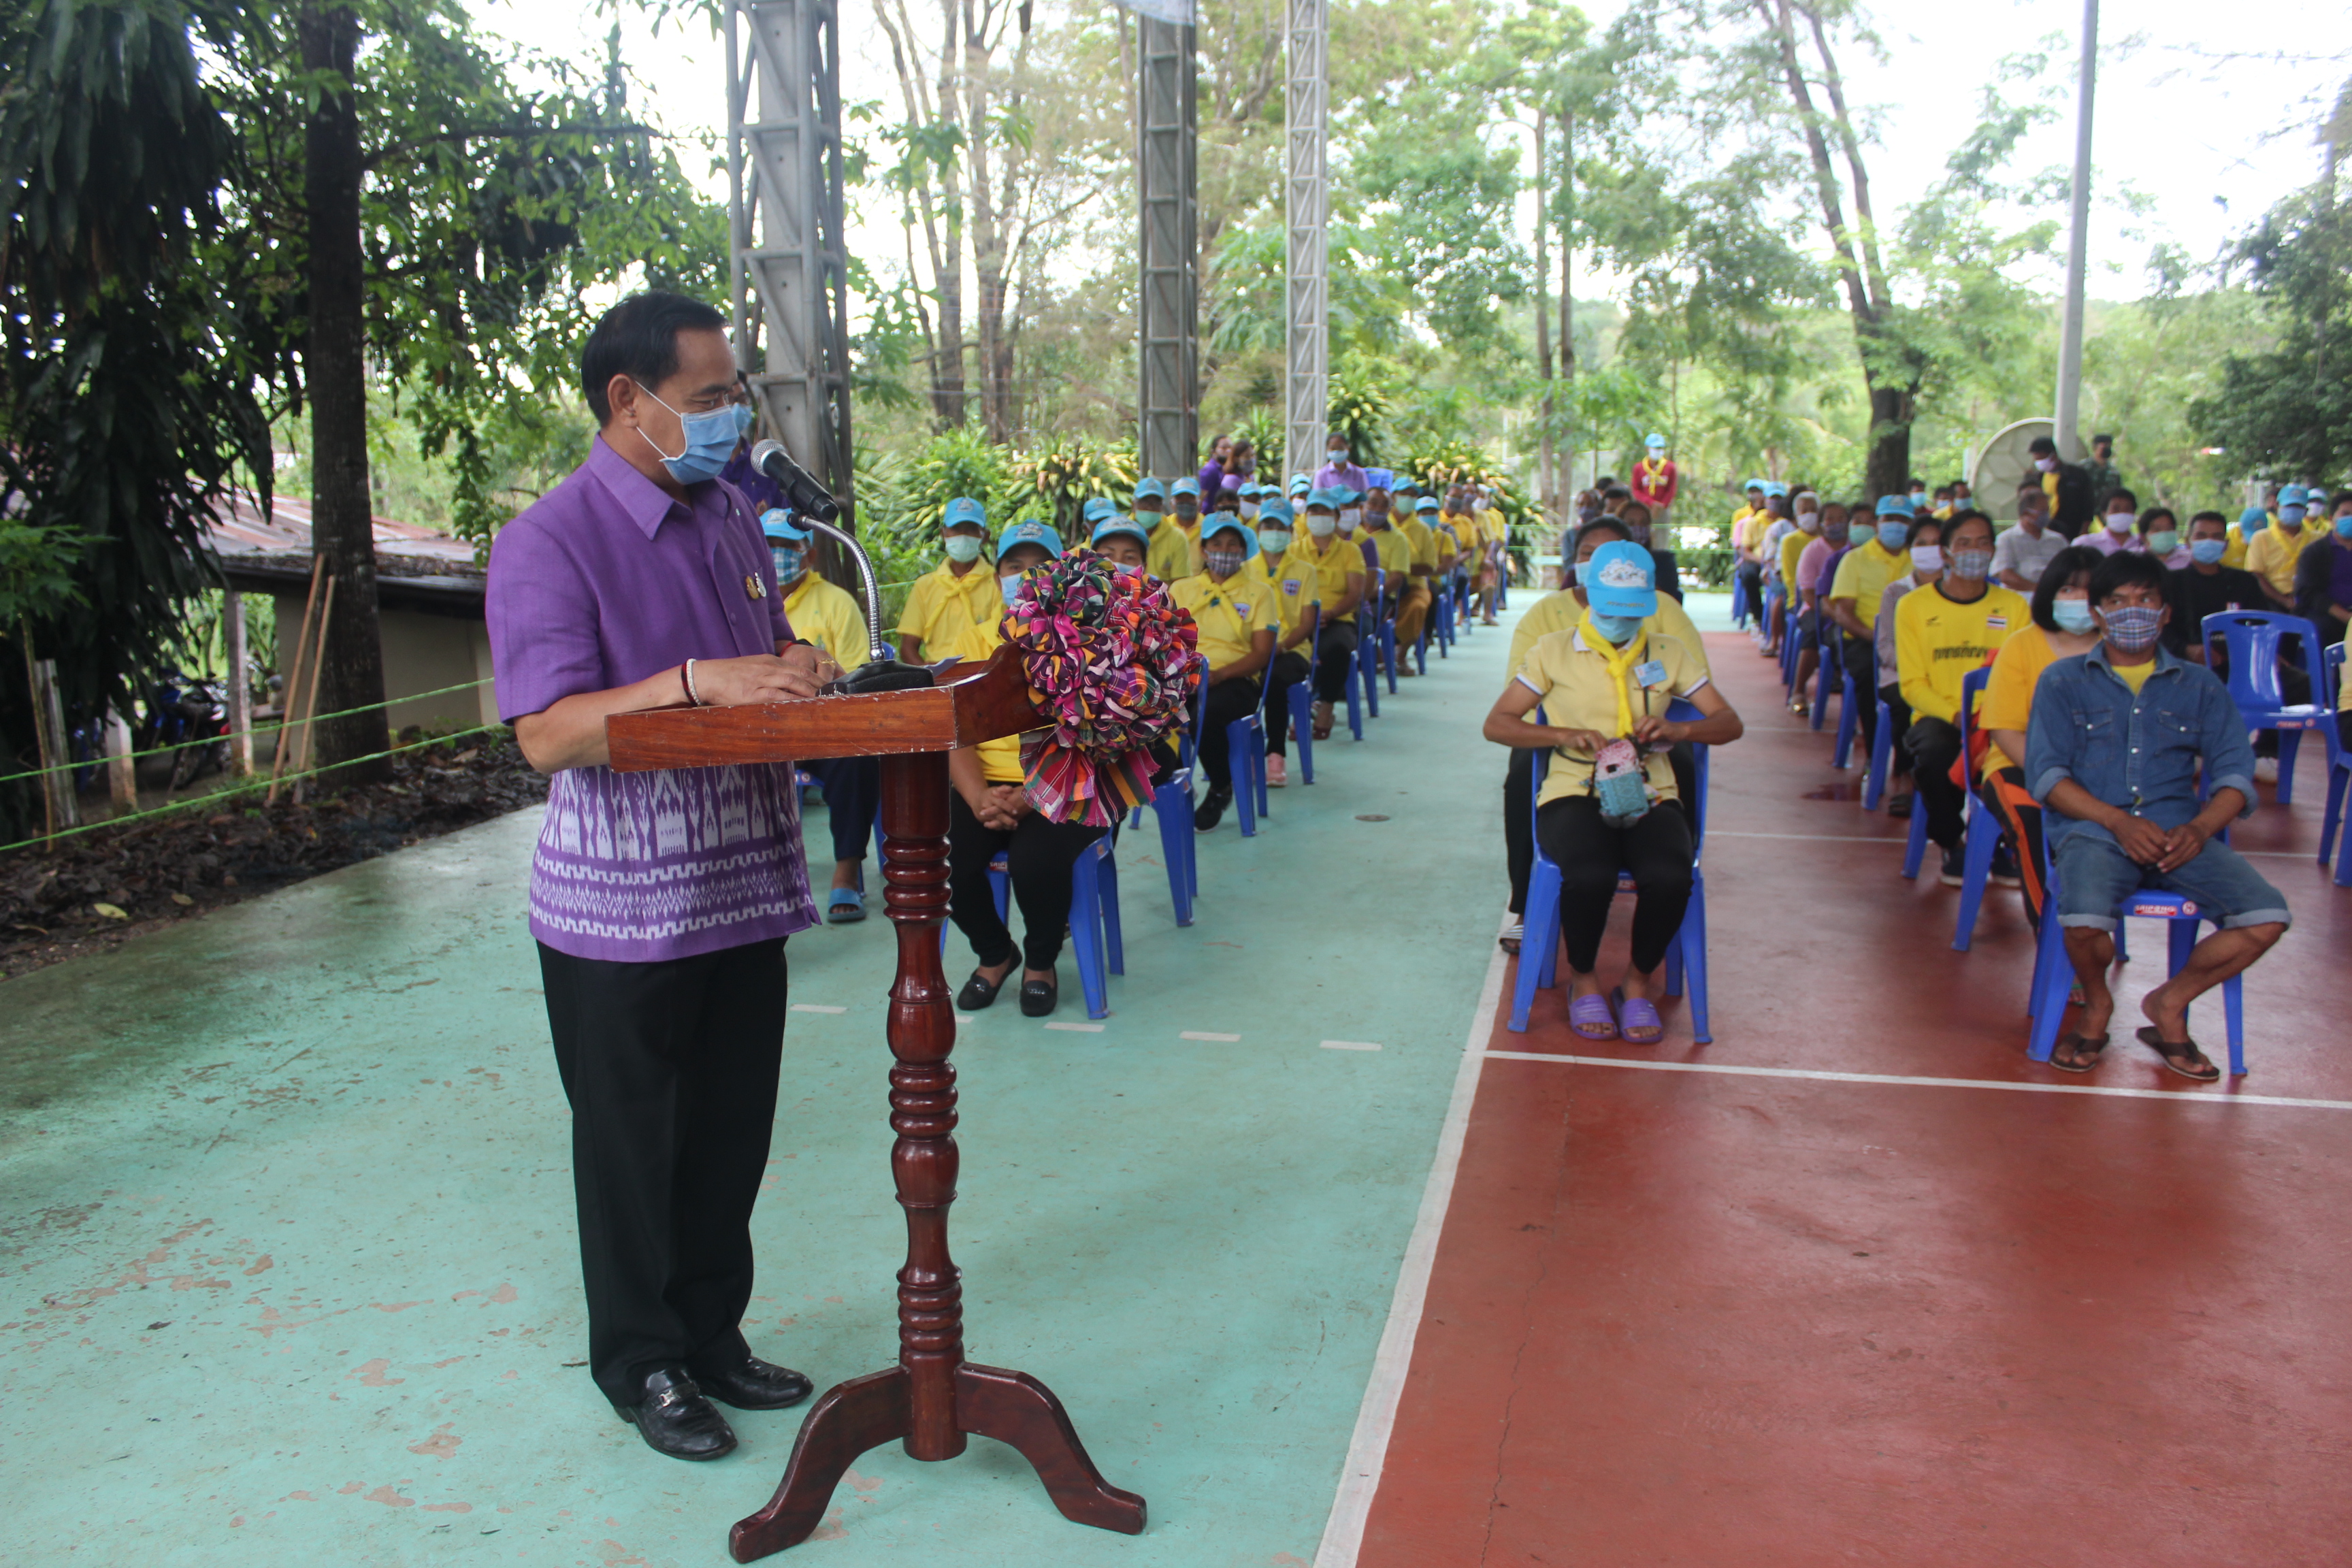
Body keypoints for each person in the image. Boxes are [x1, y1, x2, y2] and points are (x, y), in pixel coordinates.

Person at [487, 290, 823, 1462]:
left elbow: (757, 662)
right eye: (712, 397)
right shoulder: (550, 540)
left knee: (731, 1130)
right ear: (629, 401)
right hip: (619, 915)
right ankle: (640, 1361)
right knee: (633, 1146)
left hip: (743, 885)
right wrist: (695, 679)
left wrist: (790, 663)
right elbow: (547, 733)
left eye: (734, 393)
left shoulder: (732, 513)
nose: (733, 415)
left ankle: (711, 1332)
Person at [2023, 551, 2289, 1079]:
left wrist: (2201, 828)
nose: (2132, 612)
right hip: (2095, 832)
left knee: (2267, 917)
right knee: (2081, 920)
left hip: (2180, 838)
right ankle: (2098, 1004)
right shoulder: (2063, 681)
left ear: (2165, 612)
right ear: (2098, 613)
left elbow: (2236, 772)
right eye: (2118, 602)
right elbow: (2047, 778)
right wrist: (2117, 822)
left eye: (2145, 600)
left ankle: (2168, 1004)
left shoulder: (2200, 685)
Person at [1482, 540, 1744, 1043]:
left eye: (1631, 612)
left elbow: (1728, 722)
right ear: (1589, 596)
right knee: (1589, 872)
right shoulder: (1553, 650)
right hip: (1574, 789)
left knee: (1670, 875)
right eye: (1611, 610)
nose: (1621, 621)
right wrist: (1562, 735)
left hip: (1652, 790)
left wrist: (1679, 731)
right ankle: (1584, 980)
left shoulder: (1668, 652)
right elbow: (1498, 723)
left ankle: (1636, 983)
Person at [1498, 517, 1714, 952]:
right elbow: (1516, 699)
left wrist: (1666, 724)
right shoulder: (1548, 617)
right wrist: (1569, 726)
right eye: (1590, 556)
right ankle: (1525, 902)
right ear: (1579, 563)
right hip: (1569, 738)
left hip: (1648, 736)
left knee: (1685, 761)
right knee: (1523, 770)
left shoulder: (1663, 610)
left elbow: (1698, 687)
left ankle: (1666, 863)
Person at [943, 521, 1104, 1020]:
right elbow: (954, 731)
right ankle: (996, 954)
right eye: (1014, 566)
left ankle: (1040, 961)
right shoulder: (971, 643)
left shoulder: (1089, 645)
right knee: (940, 855)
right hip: (986, 784)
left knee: (1035, 861)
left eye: (1039, 567)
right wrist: (978, 799)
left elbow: (1097, 741)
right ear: (997, 579)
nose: (1025, 576)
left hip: (1067, 783)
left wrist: (1031, 795)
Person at [1891, 510, 2029, 885]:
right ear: (1947, 554)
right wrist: (1957, 716)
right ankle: (1954, 840)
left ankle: (2004, 843)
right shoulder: (1914, 606)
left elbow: (2022, 675)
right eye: (1964, 543)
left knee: (2023, 757)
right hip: (1941, 716)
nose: (1975, 551)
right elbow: (1913, 685)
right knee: (1935, 754)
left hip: (1999, 717)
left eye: (1983, 542)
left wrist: (1995, 717)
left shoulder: (2015, 606)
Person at [1978, 546, 2106, 930]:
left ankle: (2094, 928)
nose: (2078, 601)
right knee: (2033, 823)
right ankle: (2054, 938)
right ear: (2050, 593)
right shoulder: (2021, 645)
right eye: (2068, 590)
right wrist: (2053, 777)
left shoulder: (2121, 650)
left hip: (2101, 772)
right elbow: (2003, 728)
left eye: (2089, 592)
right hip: (2021, 766)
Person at [764, 508, 882, 924]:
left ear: (808, 556)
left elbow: (853, 679)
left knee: (856, 758)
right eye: (768, 546)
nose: (775, 554)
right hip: (762, 728)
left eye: (784, 546)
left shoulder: (835, 602)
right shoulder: (748, 603)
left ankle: (847, 869)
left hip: (820, 727)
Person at [1170, 517, 1279, 830]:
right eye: (1216, 544)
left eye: (1233, 544)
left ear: (1245, 551)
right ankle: (1176, 787)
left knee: (1205, 711)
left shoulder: (1261, 593)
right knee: (1157, 712)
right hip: (1184, 676)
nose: (1225, 551)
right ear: (1204, 551)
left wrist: (1219, 675)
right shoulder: (1182, 588)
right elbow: (1167, 640)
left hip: (1236, 680)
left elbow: (1261, 654)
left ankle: (1221, 785)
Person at [1825, 497, 1918, 813]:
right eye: (1889, 518)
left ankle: (1907, 767)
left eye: (1903, 520)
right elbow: (1843, 612)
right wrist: (1876, 637)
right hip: (1865, 639)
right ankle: (1876, 752)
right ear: (1878, 522)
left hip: (1914, 644)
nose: (1895, 526)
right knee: (1868, 677)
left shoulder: (1919, 560)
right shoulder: (1855, 559)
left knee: (1915, 686)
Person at [1250, 500, 1319, 785]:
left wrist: (1281, 646)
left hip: (1291, 650)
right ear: (1258, 530)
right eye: (1268, 526)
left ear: (1291, 531)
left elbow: (1306, 623)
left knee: (1274, 678)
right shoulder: (1245, 569)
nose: (1274, 532)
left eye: (1281, 527)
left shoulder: (1305, 571)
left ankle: (1275, 753)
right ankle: (1242, 752)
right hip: (1253, 649)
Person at [1290, 487, 1366, 740]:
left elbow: (1355, 592)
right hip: (1299, 619)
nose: (1319, 516)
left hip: (1336, 619)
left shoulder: (1350, 551)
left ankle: (1327, 706)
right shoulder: (1293, 551)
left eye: (1325, 511)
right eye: (1314, 510)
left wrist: (1331, 613)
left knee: (1338, 648)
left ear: (1336, 516)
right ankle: (1297, 711)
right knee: (1285, 654)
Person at [896, 495, 997, 664]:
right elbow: (908, 647)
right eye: (956, 529)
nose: (963, 536)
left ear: (985, 536)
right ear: (944, 534)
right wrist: (930, 679)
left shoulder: (997, 582)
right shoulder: (925, 586)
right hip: (937, 677)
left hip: (982, 674)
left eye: (971, 529)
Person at [2163, 511, 2270, 666]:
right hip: (2183, 665)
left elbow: (2261, 624)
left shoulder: (2244, 582)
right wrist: (2187, 650)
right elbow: (2160, 629)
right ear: (2188, 542)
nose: (2209, 542)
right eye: (2201, 536)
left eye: (2216, 537)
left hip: (2240, 662)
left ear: (2225, 544)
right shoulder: (2171, 582)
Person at [2291, 489, 2352, 645]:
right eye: (2345, 514)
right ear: (2332, 519)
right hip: (2327, 615)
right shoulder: (2315, 552)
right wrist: (2346, 617)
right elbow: (2308, 593)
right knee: (2322, 629)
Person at [2245, 483, 2315, 610]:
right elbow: (2256, 575)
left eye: (2298, 506)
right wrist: (2284, 601)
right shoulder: (2261, 537)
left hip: (2310, 600)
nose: (2292, 510)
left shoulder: (2317, 538)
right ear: (2277, 506)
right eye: (2288, 506)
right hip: (2272, 599)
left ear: (2306, 511)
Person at [1994, 480, 2065, 593]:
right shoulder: (2007, 539)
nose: (2047, 516)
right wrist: (2039, 590)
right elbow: (2005, 575)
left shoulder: (2058, 540)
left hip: (2055, 596)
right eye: (2042, 512)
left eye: (2048, 511)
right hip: (2021, 597)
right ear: (2026, 514)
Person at [2027, 435, 2096, 537]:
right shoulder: (2039, 478)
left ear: (2053, 455)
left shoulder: (2077, 474)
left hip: (2072, 530)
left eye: (2042, 458)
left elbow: (2088, 505)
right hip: (2047, 532)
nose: (2039, 463)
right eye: (2036, 460)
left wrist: (2084, 531)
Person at [1621, 500, 1684, 604]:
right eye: (1631, 523)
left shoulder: (1664, 561)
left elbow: (1663, 596)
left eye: (1644, 523)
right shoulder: (1611, 560)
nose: (1638, 528)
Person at [1630, 432, 1678, 529]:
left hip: (1663, 510)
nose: (1658, 451)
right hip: (1644, 508)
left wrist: (1662, 505)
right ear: (1648, 449)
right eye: (1655, 448)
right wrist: (1651, 503)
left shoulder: (1670, 467)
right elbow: (1636, 490)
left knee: (1661, 537)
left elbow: (1671, 489)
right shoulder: (1639, 468)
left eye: (1660, 448)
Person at [2082, 488, 2142, 557]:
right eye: (2116, 509)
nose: (2122, 513)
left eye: (2127, 509)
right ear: (2104, 514)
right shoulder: (2085, 544)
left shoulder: (2142, 544)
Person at [1315, 431, 1369, 495]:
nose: (1336, 451)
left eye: (1340, 448)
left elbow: (1366, 497)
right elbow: (1317, 498)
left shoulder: (1359, 473)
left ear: (1348, 448)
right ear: (1327, 449)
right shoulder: (1321, 474)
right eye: (1333, 448)